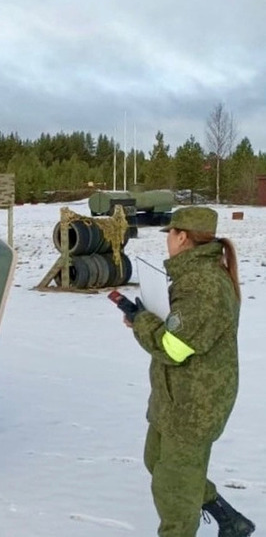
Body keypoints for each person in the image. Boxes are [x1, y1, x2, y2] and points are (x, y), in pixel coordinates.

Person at [118, 207, 254, 537]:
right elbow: (181, 333)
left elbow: (174, 348)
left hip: (195, 404)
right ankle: (230, 520)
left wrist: (141, 322)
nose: (167, 242)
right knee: (157, 461)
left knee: (175, 489)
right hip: (175, 396)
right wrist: (146, 319)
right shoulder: (193, 277)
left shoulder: (204, 286)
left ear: (182, 237)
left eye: (170, 235)